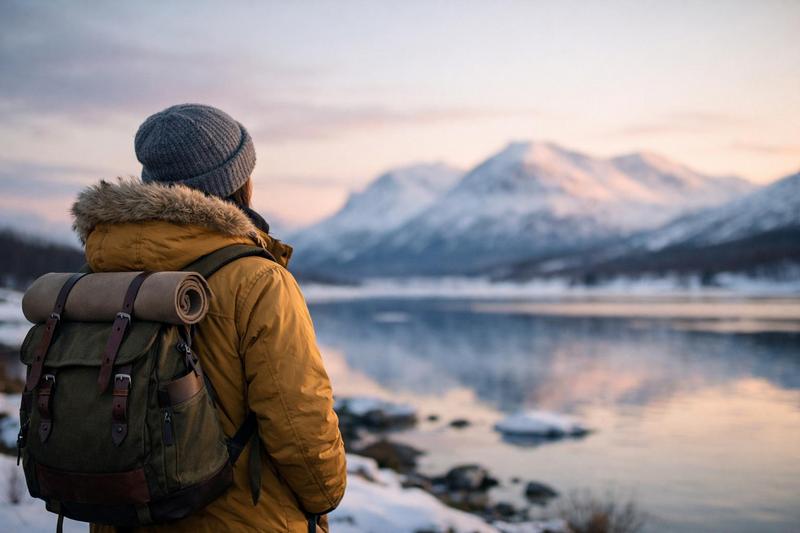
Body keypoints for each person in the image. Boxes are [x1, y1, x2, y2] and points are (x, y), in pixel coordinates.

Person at [71, 104, 347, 532]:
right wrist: (326, 497)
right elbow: (299, 423)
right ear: (236, 182)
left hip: (121, 515)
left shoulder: (101, 271)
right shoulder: (256, 279)